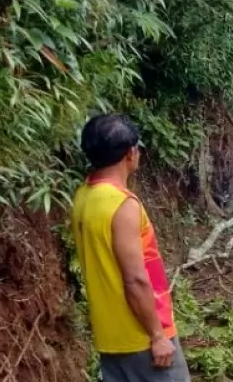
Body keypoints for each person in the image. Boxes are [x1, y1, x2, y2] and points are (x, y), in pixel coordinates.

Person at [71, 114, 190, 382]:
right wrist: (157, 336)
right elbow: (135, 278)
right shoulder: (123, 205)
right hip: (141, 337)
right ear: (130, 152)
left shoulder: (83, 197)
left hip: (109, 336)